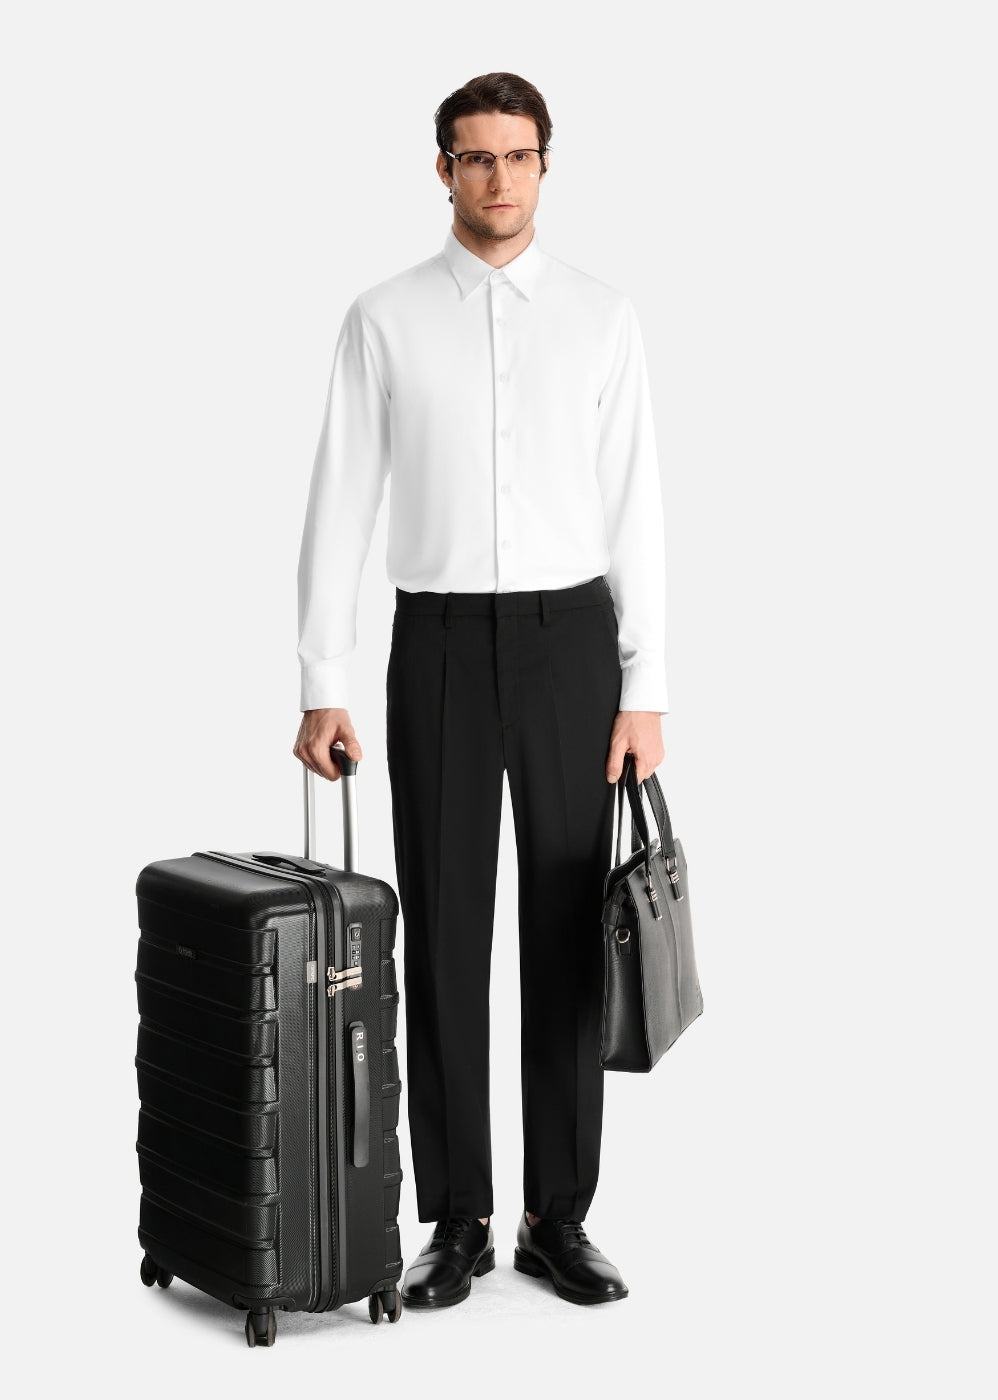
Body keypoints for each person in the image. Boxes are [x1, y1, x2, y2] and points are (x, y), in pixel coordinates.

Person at [293, 71, 668, 1309]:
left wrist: (645, 684)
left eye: (517, 155)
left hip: (572, 645)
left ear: (545, 163)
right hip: (440, 644)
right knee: (446, 930)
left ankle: (558, 1218)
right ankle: (455, 1216)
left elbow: (636, 507)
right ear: (442, 169)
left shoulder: (603, 317)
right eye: (474, 156)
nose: (497, 177)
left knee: (566, 933)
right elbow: (340, 495)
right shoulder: (384, 317)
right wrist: (323, 677)